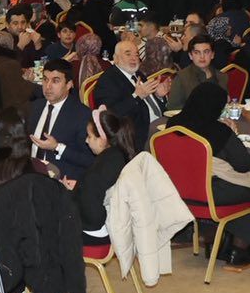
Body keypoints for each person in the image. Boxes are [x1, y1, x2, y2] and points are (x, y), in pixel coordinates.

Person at [172, 83, 250, 266]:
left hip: (179, 188)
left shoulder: (173, 124)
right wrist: (232, 135)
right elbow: (243, 165)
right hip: (211, 191)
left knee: (237, 188)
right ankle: (239, 249)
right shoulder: (218, 130)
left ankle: (216, 241)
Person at [63, 109, 138, 239]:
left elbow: (91, 216)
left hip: (95, 232)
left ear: (102, 140)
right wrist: (78, 187)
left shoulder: (101, 168)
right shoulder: (117, 156)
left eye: (89, 136)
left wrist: (68, 194)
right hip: (112, 224)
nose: (86, 141)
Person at [25, 59, 92, 178]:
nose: (48, 86)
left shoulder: (82, 114)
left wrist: (57, 147)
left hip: (61, 178)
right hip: (31, 175)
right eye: (45, 79)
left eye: (55, 81)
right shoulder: (34, 107)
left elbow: (89, 159)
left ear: (69, 84)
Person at [94, 36, 168, 129]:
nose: (134, 58)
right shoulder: (107, 81)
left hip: (159, 122)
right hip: (138, 131)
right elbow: (110, 116)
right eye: (128, 54)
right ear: (115, 58)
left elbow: (152, 106)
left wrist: (158, 96)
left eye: (136, 55)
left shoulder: (138, 74)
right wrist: (136, 96)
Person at [164, 36, 219, 115]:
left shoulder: (222, 77)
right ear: (190, 55)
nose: (202, 56)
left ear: (212, 54)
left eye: (206, 52)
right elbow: (172, 109)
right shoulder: (181, 78)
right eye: (197, 52)